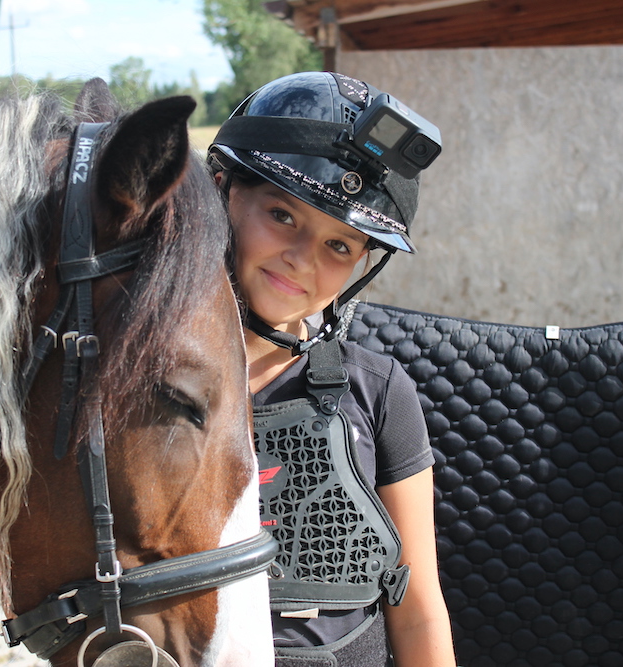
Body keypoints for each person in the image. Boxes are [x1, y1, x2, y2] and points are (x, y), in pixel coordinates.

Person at [208, 71, 457, 667]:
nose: (302, 259)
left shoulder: (378, 392)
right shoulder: (134, 379)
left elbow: (418, 608)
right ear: (221, 191)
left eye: (340, 246)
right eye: (282, 214)